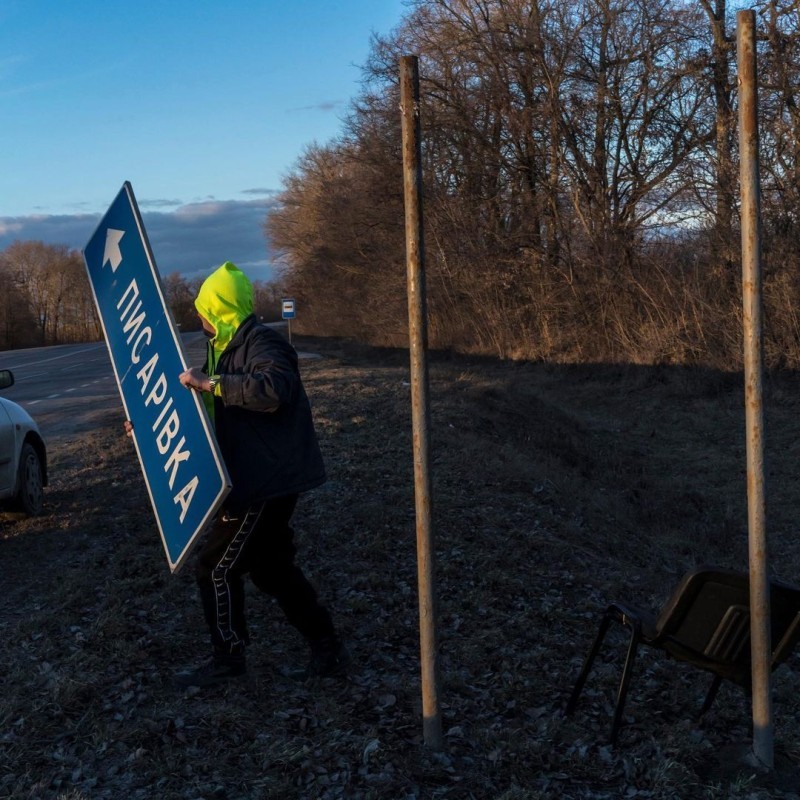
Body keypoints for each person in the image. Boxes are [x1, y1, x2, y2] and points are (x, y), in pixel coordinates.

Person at [161, 261, 345, 688]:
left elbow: (273, 391)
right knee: (270, 568)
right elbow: (212, 411)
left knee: (215, 568)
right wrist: (153, 429)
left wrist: (212, 384)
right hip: (254, 474)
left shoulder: (263, 343)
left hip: (264, 479)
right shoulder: (225, 349)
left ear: (220, 307)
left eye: (204, 308)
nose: (200, 317)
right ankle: (328, 647)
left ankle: (228, 660)